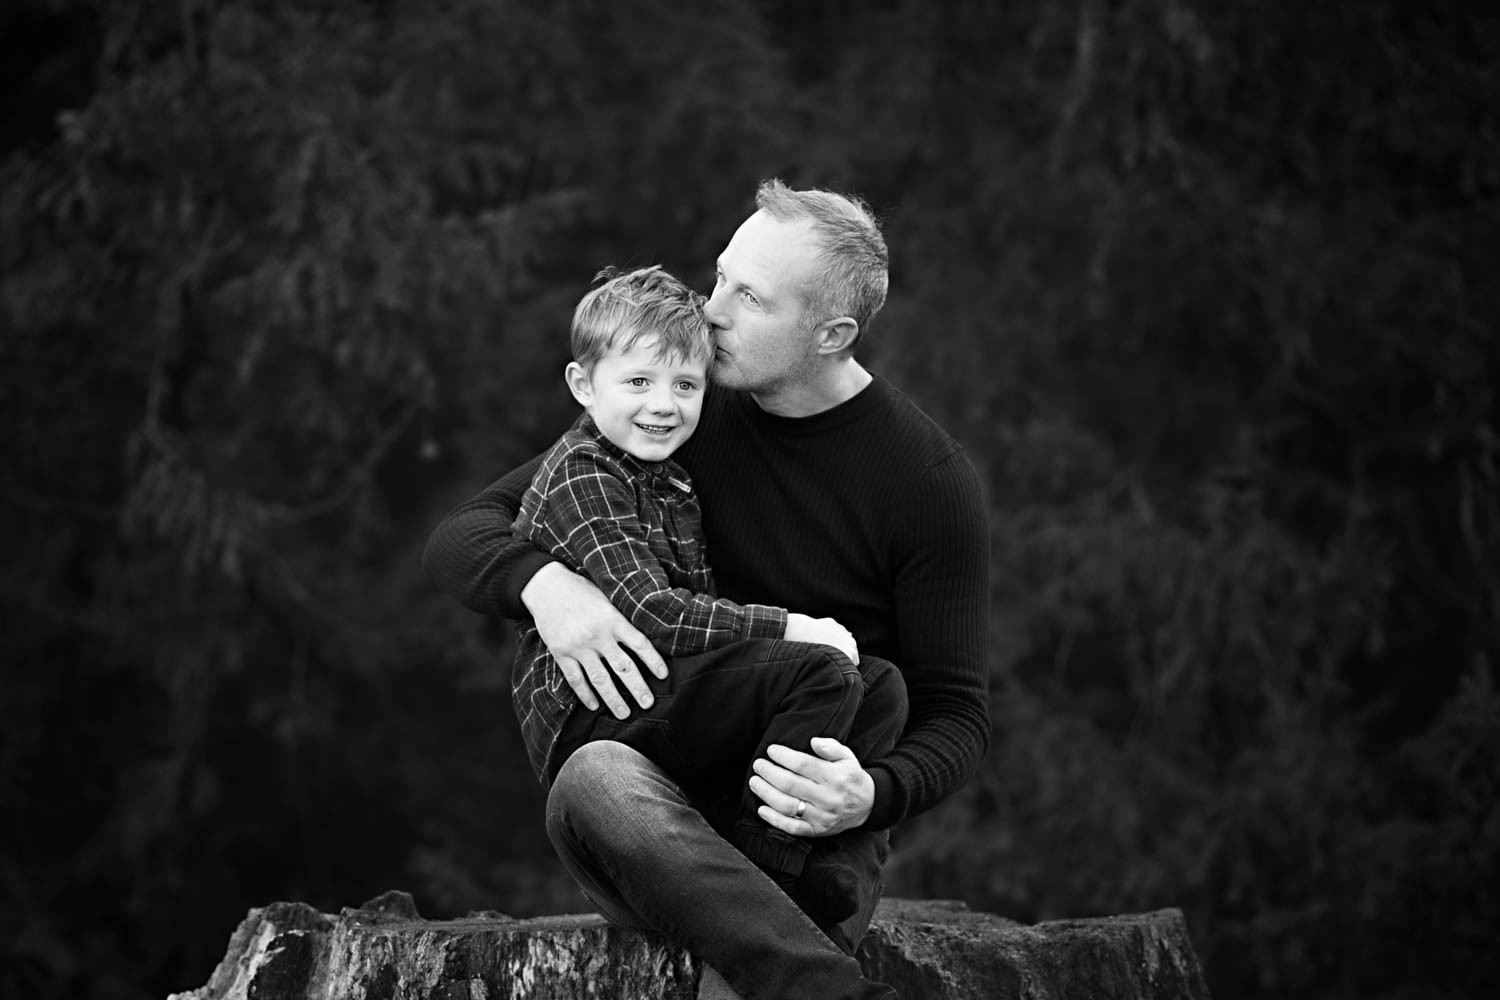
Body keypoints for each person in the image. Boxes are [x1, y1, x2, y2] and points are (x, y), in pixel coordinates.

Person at [424, 179, 990, 1000]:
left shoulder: (928, 481)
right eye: (719, 276)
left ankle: (789, 952)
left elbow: (958, 713)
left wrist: (873, 792)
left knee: (874, 694)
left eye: (748, 296)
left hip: (809, 828)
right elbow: (463, 534)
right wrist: (550, 588)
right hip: (655, 813)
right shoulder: (677, 407)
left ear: (831, 333)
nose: (711, 310)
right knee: (594, 778)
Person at [508, 263, 908, 923]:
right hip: (599, 708)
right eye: (638, 381)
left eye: (685, 385)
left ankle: (827, 866)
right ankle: (769, 870)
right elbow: (651, 612)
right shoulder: (582, 473)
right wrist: (790, 628)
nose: (663, 404)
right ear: (583, 384)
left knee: (882, 684)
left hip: (663, 690)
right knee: (823, 674)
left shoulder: (670, 482)